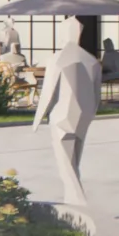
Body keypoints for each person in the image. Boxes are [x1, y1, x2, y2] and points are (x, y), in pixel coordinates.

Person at [32, 17, 100, 206]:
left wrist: (37, 119)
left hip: (61, 116)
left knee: (66, 164)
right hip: (83, 116)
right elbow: (97, 95)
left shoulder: (58, 59)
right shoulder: (91, 60)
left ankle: (80, 201)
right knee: (73, 161)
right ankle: (72, 199)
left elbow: (48, 92)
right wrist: (90, 114)